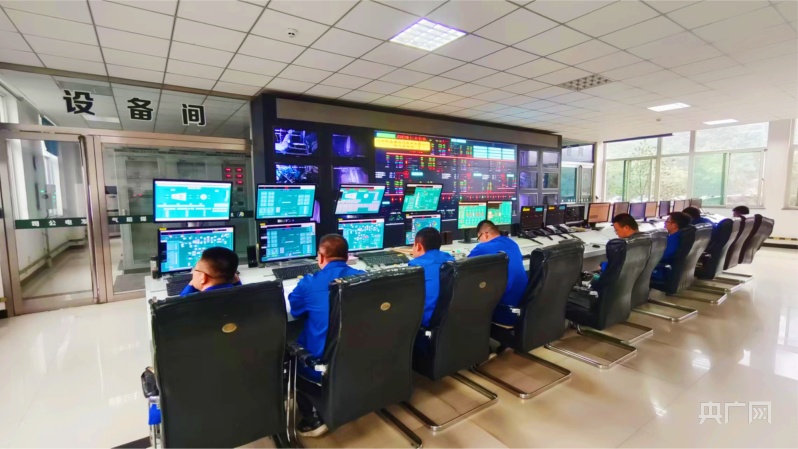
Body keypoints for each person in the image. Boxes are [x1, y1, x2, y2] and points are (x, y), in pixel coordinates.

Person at [288, 234, 364, 437]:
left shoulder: (309, 283)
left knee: (291, 347)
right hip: (358, 356)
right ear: (347, 256)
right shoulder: (363, 277)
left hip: (322, 364)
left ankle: (313, 417)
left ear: (320, 257)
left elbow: (295, 310)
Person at [468, 220, 527, 326]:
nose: (480, 241)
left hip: (505, 311)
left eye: (479, 238)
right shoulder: (512, 243)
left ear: (485, 234)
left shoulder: (482, 248)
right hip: (523, 307)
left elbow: (463, 268)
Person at [408, 227, 455, 328]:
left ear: (418, 246)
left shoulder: (416, 265)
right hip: (450, 317)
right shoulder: (450, 258)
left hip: (428, 320)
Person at [652, 211, 691, 280]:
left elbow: (662, 257)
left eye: (667, 221)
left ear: (674, 225)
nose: (664, 223)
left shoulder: (673, 240)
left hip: (660, 271)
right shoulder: (678, 236)